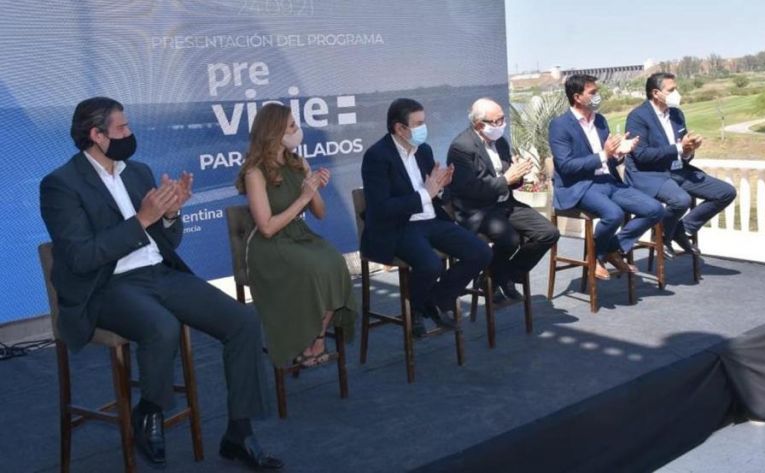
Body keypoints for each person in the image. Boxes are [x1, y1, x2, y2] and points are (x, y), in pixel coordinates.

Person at [39, 97, 283, 469]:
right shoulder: (61, 184)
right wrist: (141, 219)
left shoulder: (138, 172)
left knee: (243, 320)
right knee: (162, 327)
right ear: (97, 135)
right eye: (122, 128)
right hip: (107, 286)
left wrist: (170, 214)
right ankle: (149, 410)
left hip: (159, 273)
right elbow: (80, 257)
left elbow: (166, 243)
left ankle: (239, 432)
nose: (129, 133)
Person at [236, 103, 357, 369]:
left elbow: (320, 213)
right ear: (274, 131)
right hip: (269, 245)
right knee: (314, 270)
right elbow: (267, 227)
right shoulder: (255, 172)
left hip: (299, 236)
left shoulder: (298, 162)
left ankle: (317, 339)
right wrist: (303, 196)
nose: (297, 130)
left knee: (335, 263)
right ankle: (302, 340)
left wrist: (313, 187)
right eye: (291, 125)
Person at [360, 98, 492, 337]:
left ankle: (434, 300)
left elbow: (435, 192)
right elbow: (381, 209)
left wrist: (441, 187)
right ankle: (417, 309)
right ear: (400, 128)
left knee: (481, 252)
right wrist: (425, 194)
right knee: (431, 265)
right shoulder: (377, 156)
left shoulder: (424, 150)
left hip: (432, 220)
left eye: (424, 122)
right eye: (418, 124)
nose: (424, 128)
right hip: (400, 225)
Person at [549, 75, 665, 280]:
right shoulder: (560, 125)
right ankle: (597, 257)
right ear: (577, 97)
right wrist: (604, 154)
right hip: (580, 185)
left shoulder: (600, 120)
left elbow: (609, 158)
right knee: (614, 214)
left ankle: (609, 249)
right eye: (592, 92)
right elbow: (566, 166)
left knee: (654, 209)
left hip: (608, 181)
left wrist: (620, 152)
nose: (597, 96)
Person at [447, 98, 560, 303]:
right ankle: (499, 278)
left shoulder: (500, 141)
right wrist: (506, 179)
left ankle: (501, 275)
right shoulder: (461, 147)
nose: (502, 124)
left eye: (502, 119)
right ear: (479, 125)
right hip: (478, 209)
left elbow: (510, 178)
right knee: (509, 238)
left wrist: (519, 175)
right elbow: (468, 189)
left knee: (548, 233)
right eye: (496, 121)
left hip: (505, 203)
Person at [625, 72, 737, 258]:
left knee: (726, 192)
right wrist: (678, 147)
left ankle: (681, 229)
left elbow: (683, 151)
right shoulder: (638, 117)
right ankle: (663, 235)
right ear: (656, 93)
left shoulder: (676, 114)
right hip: (650, 175)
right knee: (681, 200)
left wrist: (688, 150)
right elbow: (641, 155)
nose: (676, 93)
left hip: (678, 171)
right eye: (671, 90)